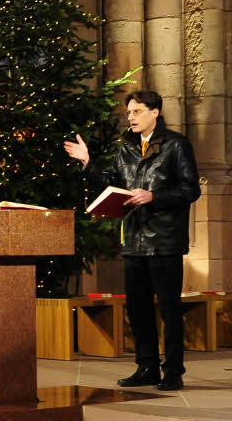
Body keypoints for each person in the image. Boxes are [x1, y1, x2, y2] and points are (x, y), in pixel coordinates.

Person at [65, 89, 201, 391]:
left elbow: (191, 190)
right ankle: (147, 367)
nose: (130, 117)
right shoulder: (125, 147)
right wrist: (88, 163)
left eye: (137, 111)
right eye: (129, 112)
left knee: (168, 308)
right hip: (133, 239)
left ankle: (173, 371)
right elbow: (110, 182)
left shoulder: (177, 145)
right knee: (138, 309)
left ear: (155, 113)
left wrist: (154, 196)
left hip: (164, 240)